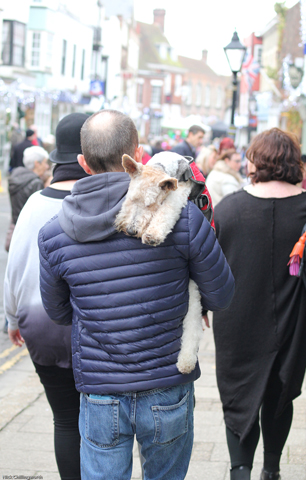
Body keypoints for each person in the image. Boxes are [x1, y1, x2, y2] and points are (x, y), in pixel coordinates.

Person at [38, 109, 235, 480]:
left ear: (82, 162)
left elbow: (59, 312)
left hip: (100, 390)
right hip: (166, 385)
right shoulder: (183, 217)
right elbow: (222, 295)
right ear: (138, 153)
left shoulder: (53, 234)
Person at [212, 128, 306, 480]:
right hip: (295, 318)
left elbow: (208, 266)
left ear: (254, 161)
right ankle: (271, 470)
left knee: (238, 395)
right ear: (294, 162)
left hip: (237, 317)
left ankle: (239, 471)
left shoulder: (229, 209)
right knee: (280, 394)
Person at [4, 112, 90, 480]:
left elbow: (14, 271)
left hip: (41, 327)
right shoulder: (104, 204)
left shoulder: (34, 206)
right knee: (99, 421)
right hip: (95, 332)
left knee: (65, 420)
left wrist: (11, 319)